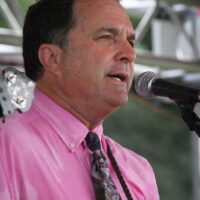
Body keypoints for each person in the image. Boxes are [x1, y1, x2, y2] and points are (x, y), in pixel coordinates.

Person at [0, 0, 159, 199]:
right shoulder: (6, 146)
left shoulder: (137, 171)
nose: (130, 54)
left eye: (131, 41)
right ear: (52, 58)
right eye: (106, 37)